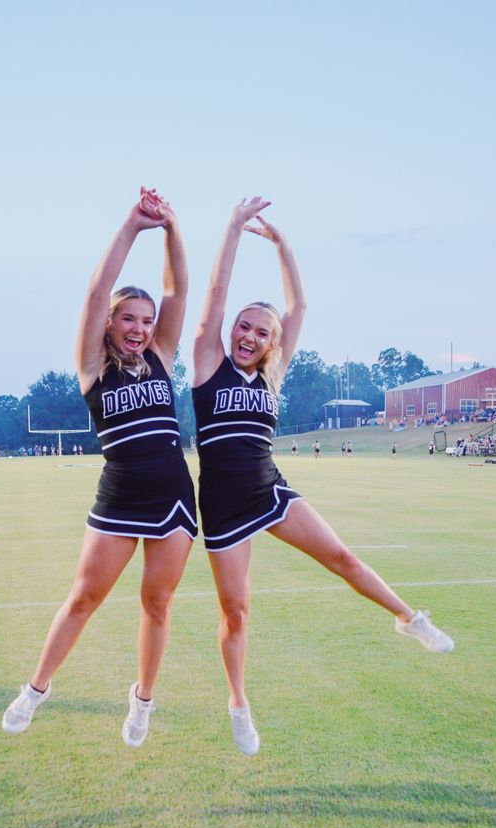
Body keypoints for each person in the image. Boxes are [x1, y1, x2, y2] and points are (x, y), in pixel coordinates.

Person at [192, 197, 454, 757]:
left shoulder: (273, 375)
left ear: (271, 343)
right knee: (236, 613)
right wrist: (234, 230)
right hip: (222, 505)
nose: (249, 335)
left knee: (344, 558)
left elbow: (299, 305)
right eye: (244, 326)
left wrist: (284, 246)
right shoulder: (208, 365)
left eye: (261, 332)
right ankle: (238, 703)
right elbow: (214, 296)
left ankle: (408, 618)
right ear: (230, 330)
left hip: (270, 489)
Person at [3, 188, 197, 746]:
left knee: (156, 603)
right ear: (110, 325)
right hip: (119, 496)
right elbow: (93, 292)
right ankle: (35, 690)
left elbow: (177, 289)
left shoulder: (161, 358)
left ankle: (142, 702)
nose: (138, 328)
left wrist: (174, 229)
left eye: (145, 320)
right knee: (84, 597)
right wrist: (134, 225)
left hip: (174, 498)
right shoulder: (92, 367)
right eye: (127, 319)